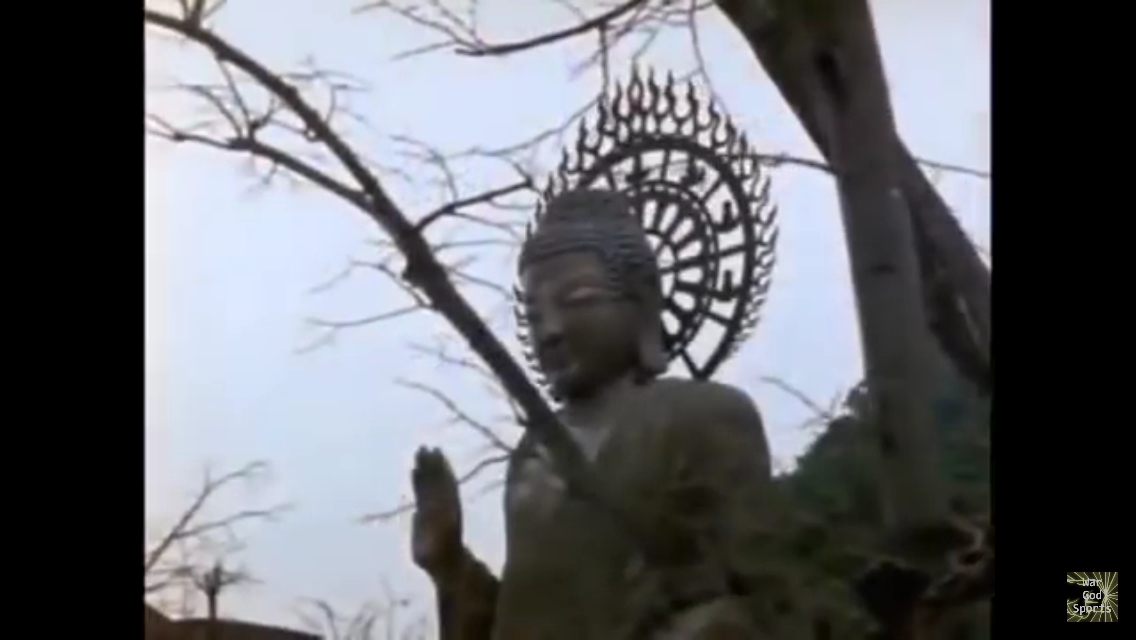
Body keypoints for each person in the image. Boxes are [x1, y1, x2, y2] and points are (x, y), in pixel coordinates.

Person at [408, 186, 806, 640]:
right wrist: (450, 565)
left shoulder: (703, 416)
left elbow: (761, 594)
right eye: (534, 316)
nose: (550, 331)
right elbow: (521, 622)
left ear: (643, 301)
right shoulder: (532, 454)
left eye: (577, 300)